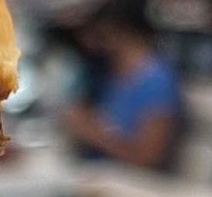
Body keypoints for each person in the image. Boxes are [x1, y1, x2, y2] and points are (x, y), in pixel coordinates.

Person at [61, 9, 184, 172]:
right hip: (94, 170)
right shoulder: (104, 71)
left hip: (130, 178)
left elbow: (148, 158)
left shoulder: (157, 80)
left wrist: (92, 132)